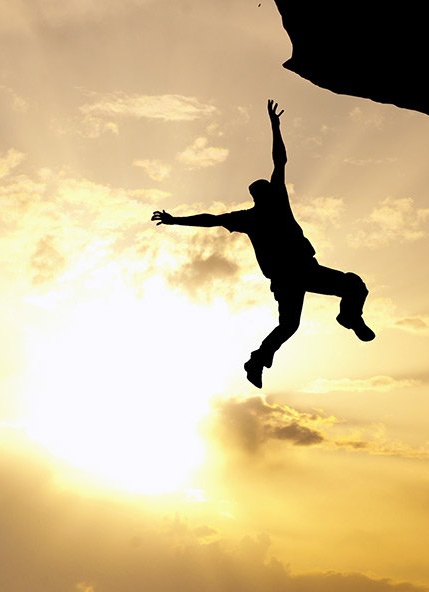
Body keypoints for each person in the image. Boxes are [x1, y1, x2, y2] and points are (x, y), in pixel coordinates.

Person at [152, 100, 373, 388]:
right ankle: (257, 361)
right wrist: (175, 220)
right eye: (266, 190)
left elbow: (279, 162)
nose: (271, 190)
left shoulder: (267, 208)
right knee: (292, 324)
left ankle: (349, 317)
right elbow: (211, 219)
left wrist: (275, 127)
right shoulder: (252, 217)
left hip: (305, 269)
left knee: (352, 286)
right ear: (259, 196)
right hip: (290, 276)